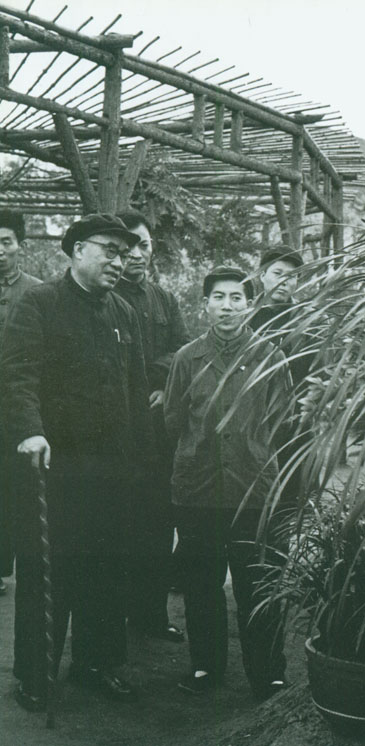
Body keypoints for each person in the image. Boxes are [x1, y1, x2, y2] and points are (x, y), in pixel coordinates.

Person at [0, 213, 152, 711]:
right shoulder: (39, 303)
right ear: (78, 249)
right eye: (110, 250)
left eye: (124, 253)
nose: (120, 260)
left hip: (111, 470)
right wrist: (29, 430)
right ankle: (35, 674)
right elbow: (17, 377)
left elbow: (135, 389)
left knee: (106, 567)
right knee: (48, 571)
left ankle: (96, 663)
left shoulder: (123, 311)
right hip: (54, 467)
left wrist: (142, 458)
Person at [164, 265, 291, 700]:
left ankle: (268, 673)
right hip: (197, 488)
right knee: (202, 584)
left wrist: (253, 451)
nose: (227, 306)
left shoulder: (270, 356)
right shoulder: (187, 358)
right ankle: (205, 666)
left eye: (237, 298)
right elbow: (174, 419)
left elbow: (283, 419)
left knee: (257, 585)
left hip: (252, 488)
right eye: (218, 297)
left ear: (250, 305)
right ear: (205, 305)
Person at [115, 209, 189, 642]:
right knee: (118, 526)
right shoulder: (105, 297)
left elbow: (180, 348)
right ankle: (114, 620)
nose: (136, 254)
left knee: (158, 524)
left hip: (156, 434)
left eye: (143, 245)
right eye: (127, 247)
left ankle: (152, 616)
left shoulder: (164, 299)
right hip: (115, 430)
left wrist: (162, 384)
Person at [250, 246, 315, 504]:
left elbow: (319, 369)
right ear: (262, 275)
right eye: (278, 273)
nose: (284, 282)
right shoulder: (246, 316)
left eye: (292, 276)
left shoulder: (307, 319)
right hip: (251, 422)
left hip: (294, 423)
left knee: (290, 498)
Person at [0, 210, 41, 596]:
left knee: (17, 486)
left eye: (5, 242)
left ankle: (20, 564)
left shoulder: (37, 293)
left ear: (20, 246)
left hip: (19, 408)